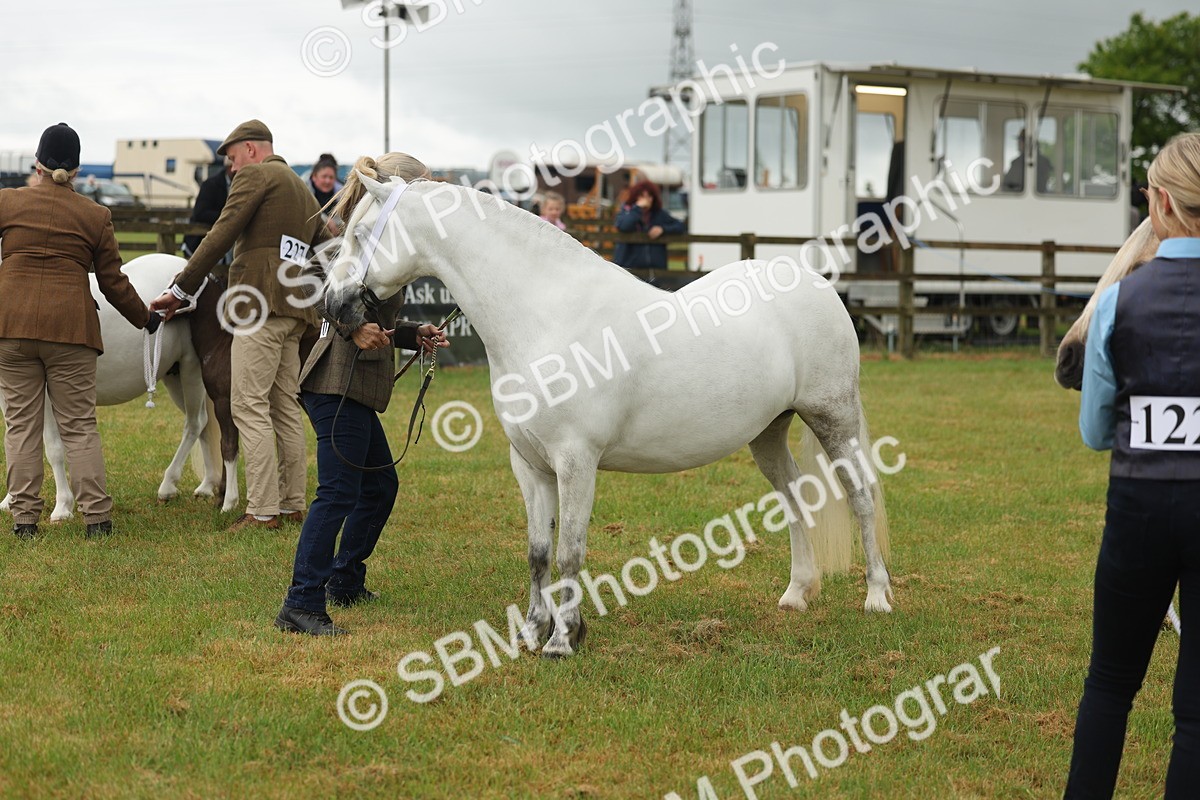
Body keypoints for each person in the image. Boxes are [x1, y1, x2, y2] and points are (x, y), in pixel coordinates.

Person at [1066, 132, 1200, 798]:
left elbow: (1095, 431)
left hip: (1138, 516)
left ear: (1163, 203)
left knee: (1110, 686)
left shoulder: (1121, 300)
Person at [274, 152, 450, 636]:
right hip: (336, 384)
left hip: (352, 388)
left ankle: (344, 580)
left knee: (378, 488)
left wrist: (414, 335)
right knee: (337, 494)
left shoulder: (381, 239)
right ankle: (301, 602)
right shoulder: (359, 238)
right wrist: (352, 331)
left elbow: (380, 318)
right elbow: (315, 285)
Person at [150, 119, 326, 532]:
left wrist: (180, 290)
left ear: (249, 149)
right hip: (295, 312)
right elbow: (325, 246)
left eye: (231, 158)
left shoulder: (256, 175)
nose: (230, 168)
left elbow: (221, 234)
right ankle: (291, 504)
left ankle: (262, 510)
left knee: (247, 404)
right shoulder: (303, 189)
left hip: (258, 306)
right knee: (284, 406)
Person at [0, 123, 156, 539]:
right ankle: (97, 520)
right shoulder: (95, 214)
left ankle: (24, 521)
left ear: (37, 163)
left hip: (11, 329)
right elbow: (113, 283)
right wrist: (146, 318)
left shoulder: (7, 203)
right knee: (79, 425)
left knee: (20, 425)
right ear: (78, 168)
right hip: (71, 332)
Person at [612, 180, 684, 275]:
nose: (646, 200)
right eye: (642, 196)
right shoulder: (626, 211)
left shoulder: (659, 214)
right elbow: (624, 226)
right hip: (629, 272)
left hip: (656, 272)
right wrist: (637, 208)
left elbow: (680, 226)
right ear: (635, 197)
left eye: (649, 196)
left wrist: (663, 229)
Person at [182, 156, 233, 262]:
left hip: (224, 240)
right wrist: (229, 217)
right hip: (202, 240)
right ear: (229, 167)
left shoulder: (239, 184)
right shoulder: (210, 185)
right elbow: (200, 213)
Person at [1003, 128, 1052, 193]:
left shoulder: (1017, 163)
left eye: (1020, 141)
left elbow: (1009, 184)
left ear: (1027, 143)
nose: (1018, 144)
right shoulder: (1045, 161)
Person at [308, 153, 343, 235]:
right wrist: (324, 220)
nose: (328, 181)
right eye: (324, 176)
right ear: (314, 177)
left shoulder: (341, 194)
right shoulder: (303, 190)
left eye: (331, 177)